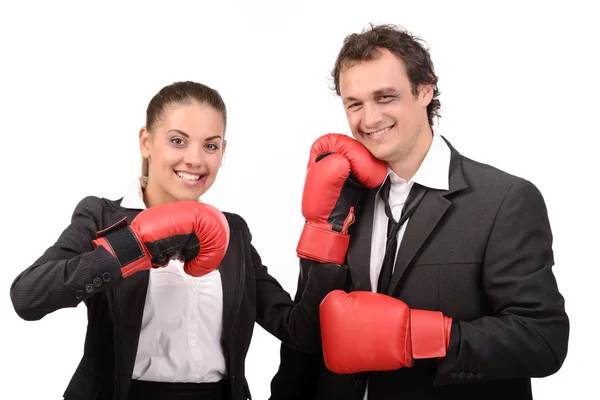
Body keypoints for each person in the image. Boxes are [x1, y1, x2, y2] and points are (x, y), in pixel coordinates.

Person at [9, 81, 387, 400]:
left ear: (223, 152)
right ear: (146, 141)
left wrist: (327, 226)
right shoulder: (102, 216)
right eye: (178, 140)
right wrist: (134, 244)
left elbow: (298, 329)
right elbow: (28, 297)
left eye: (210, 145)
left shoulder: (232, 231)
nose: (194, 159)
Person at [269, 23, 570, 400]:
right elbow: (307, 336)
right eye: (355, 103)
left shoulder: (504, 199)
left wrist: (421, 336)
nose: (369, 119)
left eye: (385, 97)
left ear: (425, 89)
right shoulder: (341, 197)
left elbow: (543, 339)